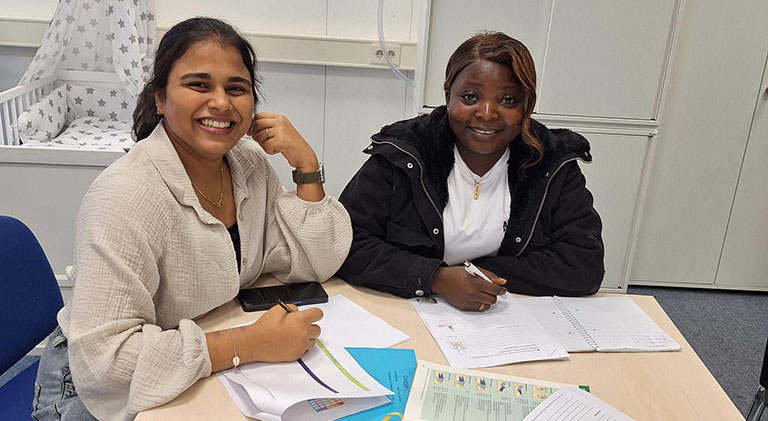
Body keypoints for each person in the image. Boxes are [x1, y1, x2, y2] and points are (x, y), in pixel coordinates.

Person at [32, 17, 352, 420]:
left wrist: (306, 166)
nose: (221, 102)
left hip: (196, 351)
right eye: (199, 85)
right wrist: (249, 343)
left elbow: (317, 261)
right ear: (160, 98)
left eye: (236, 88)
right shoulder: (125, 195)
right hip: (96, 391)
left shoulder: (247, 162)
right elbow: (105, 364)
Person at [336, 32, 604, 312]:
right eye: (470, 96)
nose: (487, 113)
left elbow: (584, 264)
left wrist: (478, 275)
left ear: (527, 106)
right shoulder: (403, 152)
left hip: (510, 317)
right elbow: (346, 243)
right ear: (448, 94)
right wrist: (436, 277)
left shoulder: (552, 161)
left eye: (509, 100)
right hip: (404, 309)